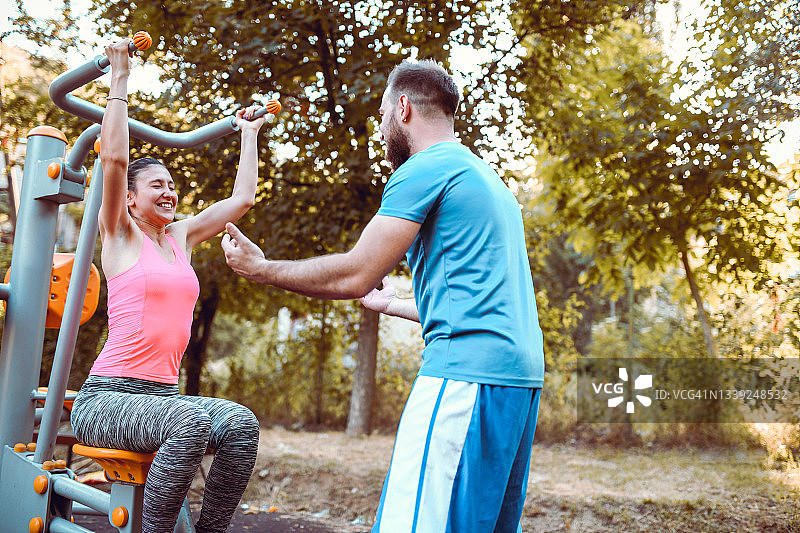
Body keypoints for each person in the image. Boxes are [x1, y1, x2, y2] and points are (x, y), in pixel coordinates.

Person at [221, 59, 544, 532]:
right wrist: (390, 304)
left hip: (464, 376)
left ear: (404, 108)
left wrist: (261, 269)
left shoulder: (425, 168)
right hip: (517, 379)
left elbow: (355, 272)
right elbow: (474, 306)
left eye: (382, 115)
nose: (380, 128)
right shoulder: (483, 177)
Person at [70, 39, 265, 533]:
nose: (168, 190)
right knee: (192, 424)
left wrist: (248, 133)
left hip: (163, 398)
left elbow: (242, 197)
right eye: (155, 184)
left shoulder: (180, 236)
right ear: (130, 201)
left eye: (171, 183)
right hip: (108, 399)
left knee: (242, 425)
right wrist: (119, 76)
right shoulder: (118, 232)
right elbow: (113, 162)